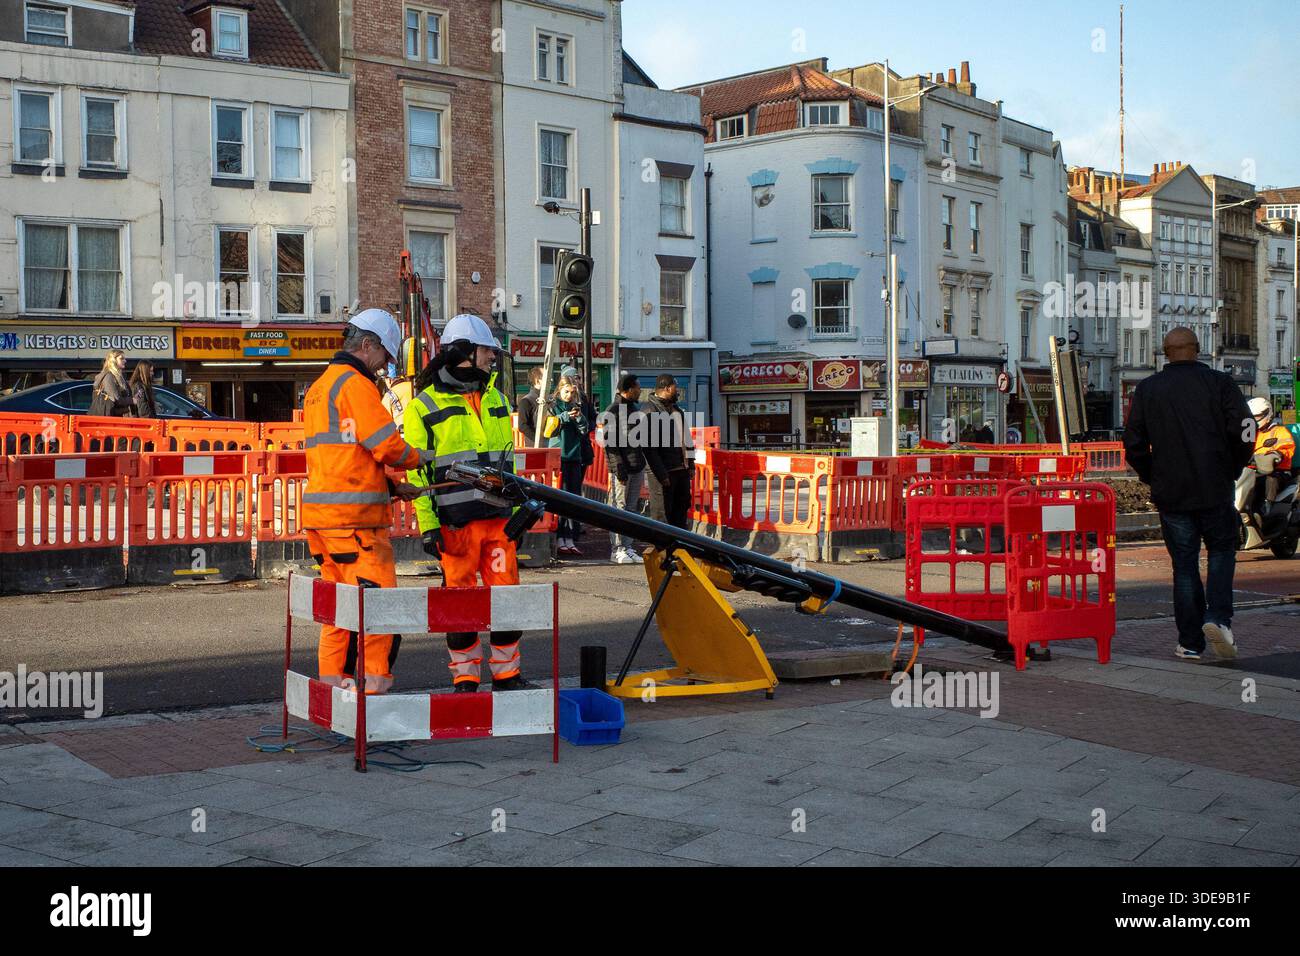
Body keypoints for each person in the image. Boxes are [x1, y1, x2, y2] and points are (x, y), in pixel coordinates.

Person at [405, 313, 533, 692]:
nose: (492, 358)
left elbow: (506, 459)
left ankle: (507, 676)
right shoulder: (422, 407)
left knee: (506, 601)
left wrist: (517, 516)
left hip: (498, 521)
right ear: (465, 352)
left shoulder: (495, 396)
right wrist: (428, 527)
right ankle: (465, 678)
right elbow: (417, 476)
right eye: (486, 351)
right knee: (460, 608)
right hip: (455, 526)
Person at [303, 310, 427, 693]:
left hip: (324, 521)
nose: (387, 366)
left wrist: (390, 488)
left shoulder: (320, 387)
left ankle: (333, 694)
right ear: (367, 345)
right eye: (385, 356)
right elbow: (386, 445)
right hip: (356, 524)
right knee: (378, 612)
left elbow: (344, 457)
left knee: (338, 613)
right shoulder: (356, 385)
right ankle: (374, 698)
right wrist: (419, 458)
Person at [1123, 327, 1255, 662]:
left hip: (1172, 492)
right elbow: (1245, 430)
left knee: (1184, 566)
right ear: (1197, 349)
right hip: (1214, 486)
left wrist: (1152, 475)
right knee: (1222, 553)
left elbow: (1133, 443)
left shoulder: (1148, 389)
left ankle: (1190, 642)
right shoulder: (1220, 384)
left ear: (1164, 352)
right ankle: (1218, 619)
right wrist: (1233, 467)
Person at [603, 373, 648, 564]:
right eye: (637, 387)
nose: (639, 390)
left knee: (631, 508)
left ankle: (627, 547)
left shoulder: (634, 409)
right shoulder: (612, 411)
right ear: (628, 390)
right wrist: (618, 468)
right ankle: (617, 549)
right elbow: (611, 444)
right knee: (619, 507)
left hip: (637, 465)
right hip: (623, 468)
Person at [548, 375, 593, 556]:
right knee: (561, 498)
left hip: (574, 456)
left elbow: (584, 430)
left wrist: (579, 418)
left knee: (573, 497)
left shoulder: (577, 407)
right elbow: (549, 429)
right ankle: (560, 537)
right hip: (559, 456)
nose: (569, 395)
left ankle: (569, 538)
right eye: (566, 391)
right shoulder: (552, 407)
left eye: (572, 392)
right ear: (559, 390)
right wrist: (565, 416)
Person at [643, 374, 693, 530]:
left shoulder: (677, 410)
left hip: (681, 470)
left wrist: (691, 464)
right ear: (667, 388)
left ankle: (679, 548)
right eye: (675, 388)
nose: (677, 391)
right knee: (663, 514)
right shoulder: (650, 412)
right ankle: (662, 550)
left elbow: (687, 439)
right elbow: (650, 449)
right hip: (665, 473)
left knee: (681, 509)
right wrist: (662, 474)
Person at [1246, 397, 1296, 523]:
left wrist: (1276, 455)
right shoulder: (1250, 433)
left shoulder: (1279, 431)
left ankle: (1266, 510)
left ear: (1267, 414)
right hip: (1253, 470)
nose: (1254, 420)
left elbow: (1286, 448)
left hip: (1278, 470)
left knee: (1270, 480)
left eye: (1256, 417)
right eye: (1252, 417)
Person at [89, 349, 132, 417]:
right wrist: (132, 400)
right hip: (105, 418)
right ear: (113, 360)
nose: (125, 361)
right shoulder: (109, 376)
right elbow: (116, 398)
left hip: (112, 416)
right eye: (121, 358)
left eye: (125, 358)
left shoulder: (118, 376)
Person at [518, 366, 544, 444]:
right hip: (535, 446)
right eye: (546, 377)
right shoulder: (526, 401)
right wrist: (537, 439)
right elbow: (522, 426)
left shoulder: (550, 399)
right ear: (537, 380)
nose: (551, 379)